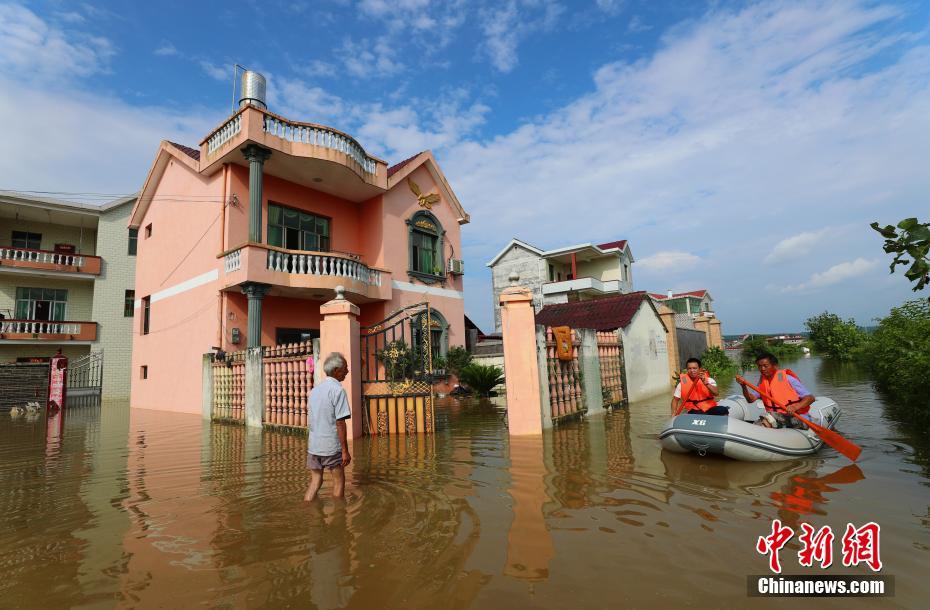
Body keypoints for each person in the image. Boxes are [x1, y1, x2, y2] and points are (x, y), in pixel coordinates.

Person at [304, 352, 352, 501]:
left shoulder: (314, 391)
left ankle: (307, 507)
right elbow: (340, 422)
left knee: (315, 482)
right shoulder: (338, 391)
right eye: (345, 368)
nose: (347, 371)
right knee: (338, 482)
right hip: (331, 446)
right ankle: (339, 517)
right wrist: (345, 451)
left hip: (314, 446)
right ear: (337, 370)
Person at [738, 352, 815, 429]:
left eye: (765, 366)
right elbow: (750, 399)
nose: (762, 369)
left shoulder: (788, 379)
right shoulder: (762, 382)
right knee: (759, 424)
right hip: (776, 418)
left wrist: (795, 407)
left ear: (775, 366)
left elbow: (810, 398)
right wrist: (743, 386)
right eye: (759, 366)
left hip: (797, 417)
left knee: (770, 417)